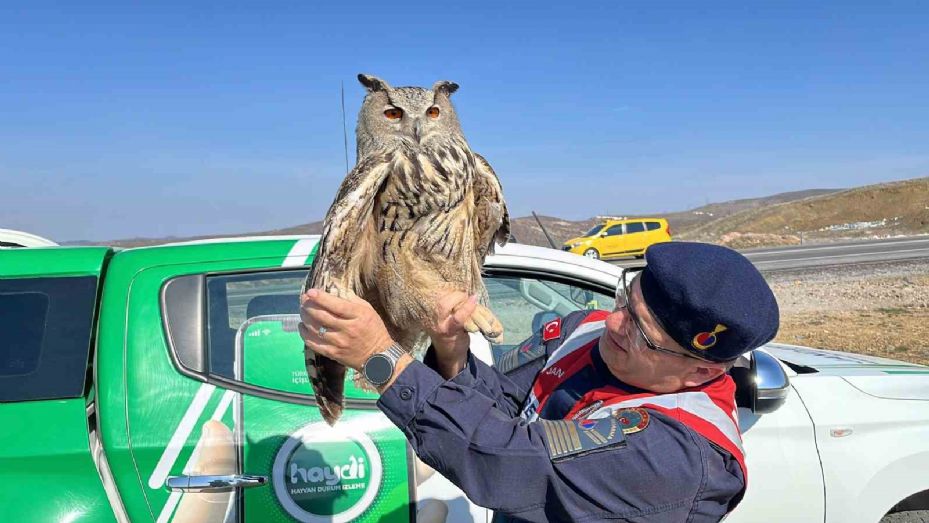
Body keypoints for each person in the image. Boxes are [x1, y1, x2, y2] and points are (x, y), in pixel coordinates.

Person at [299, 241, 779, 522]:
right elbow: (506, 409)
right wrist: (450, 345)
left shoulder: (680, 454)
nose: (612, 325)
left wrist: (382, 359)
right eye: (624, 302)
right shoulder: (585, 332)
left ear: (702, 370)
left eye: (641, 333)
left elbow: (509, 461)